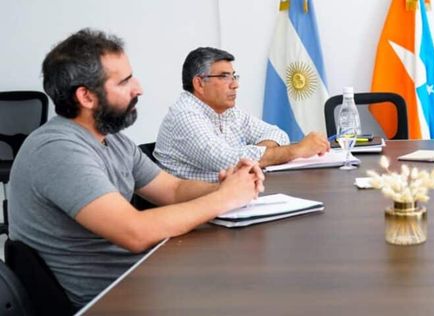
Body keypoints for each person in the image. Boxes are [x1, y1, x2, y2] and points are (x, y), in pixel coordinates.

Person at [8, 29, 265, 308]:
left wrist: (229, 186)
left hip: (141, 277)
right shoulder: (57, 149)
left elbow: (173, 189)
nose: (138, 88)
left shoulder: (111, 138)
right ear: (86, 97)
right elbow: (135, 232)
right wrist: (224, 199)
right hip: (110, 300)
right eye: (124, 81)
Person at [154, 47, 330, 182]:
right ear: (199, 84)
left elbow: (277, 133)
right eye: (224, 77)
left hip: (228, 201)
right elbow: (227, 160)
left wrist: (255, 157)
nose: (234, 85)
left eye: (234, 76)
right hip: (194, 214)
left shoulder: (228, 112)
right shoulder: (185, 115)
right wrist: (297, 150)